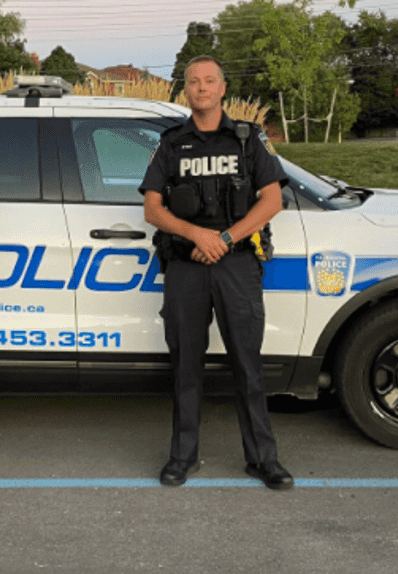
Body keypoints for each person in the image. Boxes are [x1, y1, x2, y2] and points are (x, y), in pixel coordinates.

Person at [139, 55, 293, 489]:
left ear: (223, 88)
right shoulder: (171, 143)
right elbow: (153, 208)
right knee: (186, 365)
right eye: (193, 82)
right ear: (185, 91)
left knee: (248, 365)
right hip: (187, 266)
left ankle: (263, 459)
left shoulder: (248, 139)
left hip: (237, 264)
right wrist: (196, 236)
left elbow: (271, 201)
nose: (202, 88)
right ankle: (182, 456)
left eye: (210, 81)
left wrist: (223, 239)